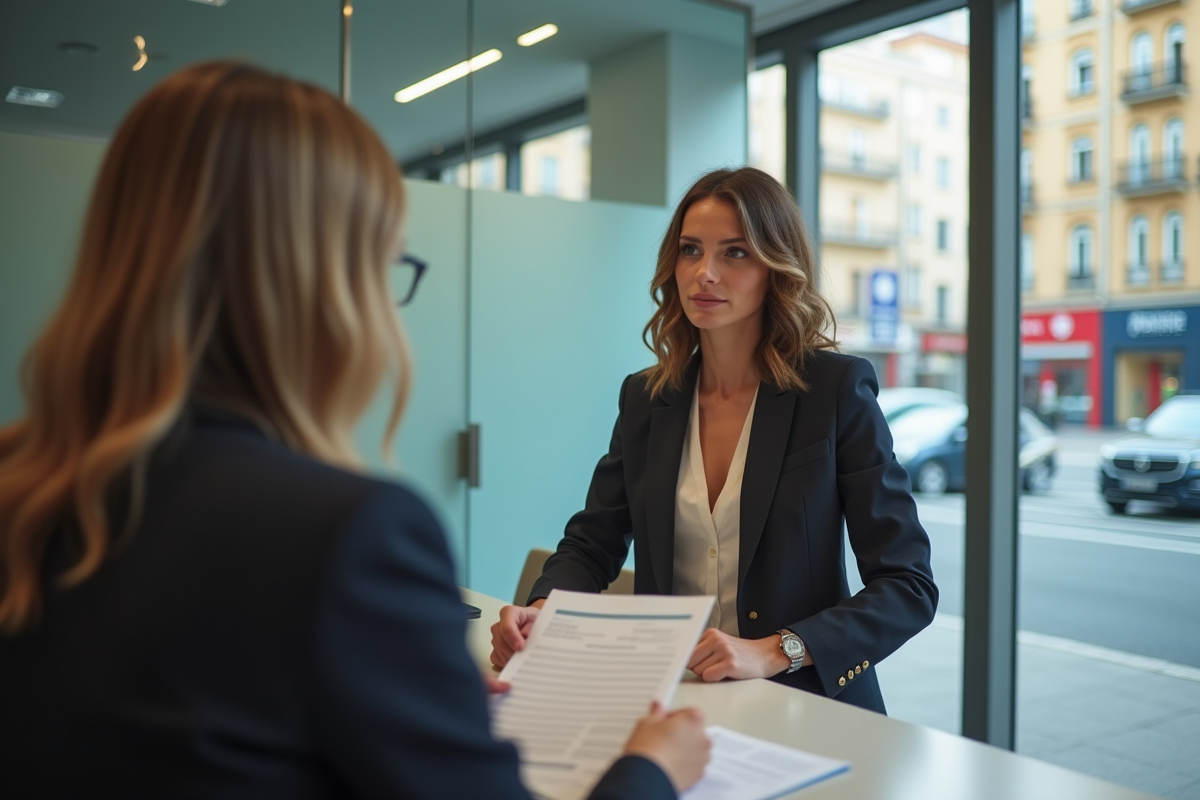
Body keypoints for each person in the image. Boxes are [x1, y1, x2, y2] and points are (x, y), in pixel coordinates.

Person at [0, 61, 709, 799]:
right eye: (385, 261)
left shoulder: (28, 487)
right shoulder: (346, 533)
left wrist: (420, 710)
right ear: (319, 279)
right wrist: (650, 771)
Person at [491, 167, 938, 714]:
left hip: (808, 702)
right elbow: (594, 541)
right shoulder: (646, 398)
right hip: (672, 700)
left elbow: (907, 584)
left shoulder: (833, 390)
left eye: (735, 253)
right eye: (690, 250)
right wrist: (542, 610)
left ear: (776, 267)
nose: (704, 273)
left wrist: (774, 651)